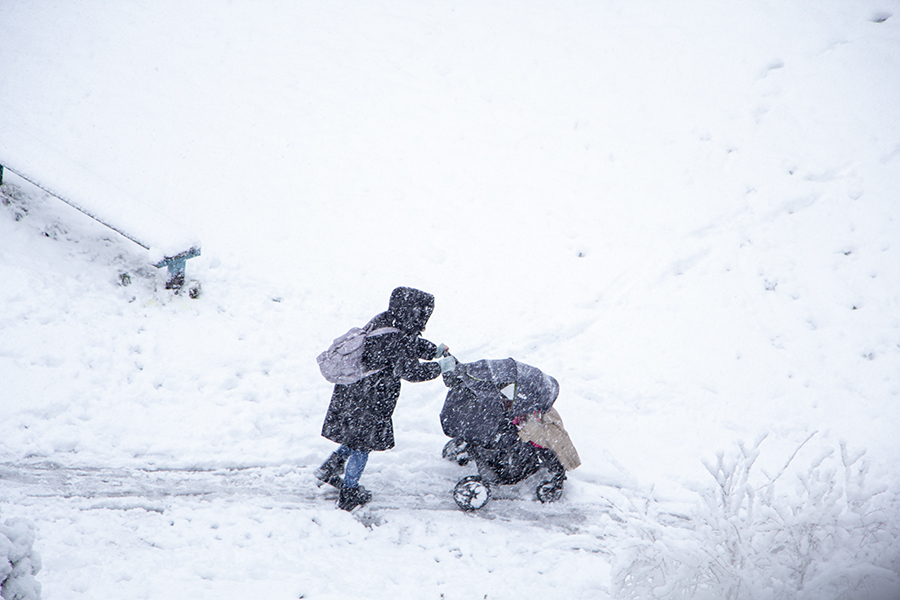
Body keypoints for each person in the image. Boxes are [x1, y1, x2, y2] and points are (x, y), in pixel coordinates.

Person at [315, 286, 446, 511]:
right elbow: (411, 371)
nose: (425, 318)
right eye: (423, 313)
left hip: (354, 391)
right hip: (370, 397)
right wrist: (440, 366)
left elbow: (407, 343)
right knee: (363, 444)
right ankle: (349, 493)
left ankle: (331, 467)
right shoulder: (396, 337)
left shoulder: (387, 320)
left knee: (356, 436)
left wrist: (433, 350)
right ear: (414, 312)